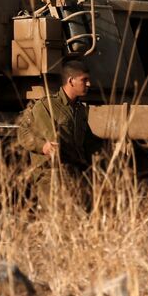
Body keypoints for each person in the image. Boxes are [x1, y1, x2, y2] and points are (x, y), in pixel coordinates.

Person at [15, 60, 101, 210]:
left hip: (74, 175)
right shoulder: (46, 106)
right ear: (71, 81)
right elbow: (23, 133)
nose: (88, 84)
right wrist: (43, 147)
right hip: (51, 175)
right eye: (84, 80)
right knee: (58, 220)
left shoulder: (79, 110)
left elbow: (88, 142)